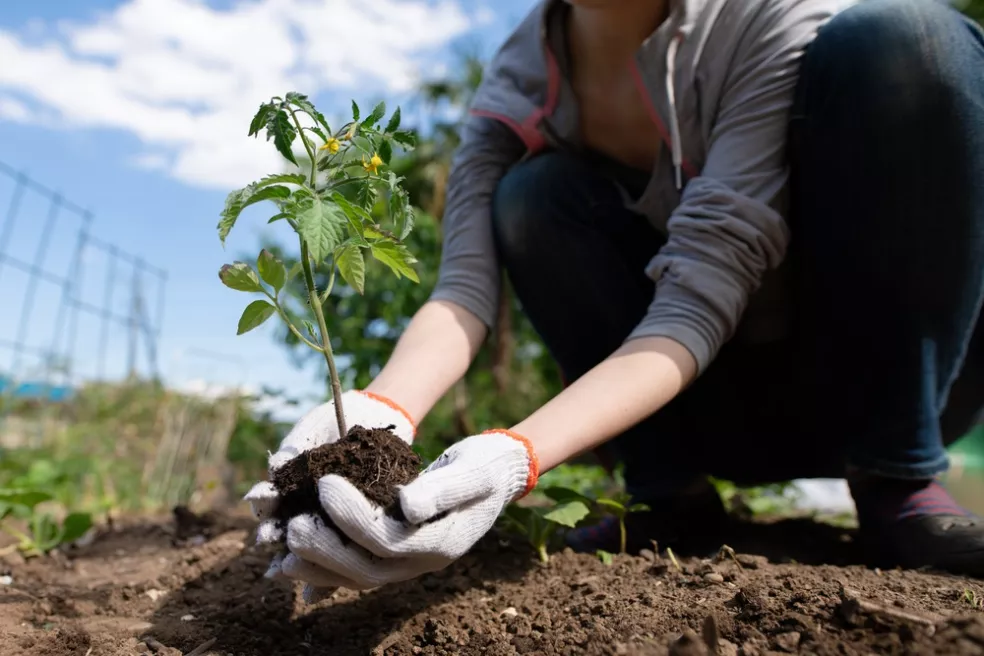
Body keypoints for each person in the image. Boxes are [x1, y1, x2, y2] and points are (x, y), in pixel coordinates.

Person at [245, 0, 984, 598]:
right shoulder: (515, 87)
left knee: (909, 41)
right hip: (693, 407)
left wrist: (517, 457)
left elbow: (700, 294)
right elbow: (464, 289)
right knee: (532, 196)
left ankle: (897, 476)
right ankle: (668, 495)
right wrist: (381, 415)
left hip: (864, 374)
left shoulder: (766, 19)